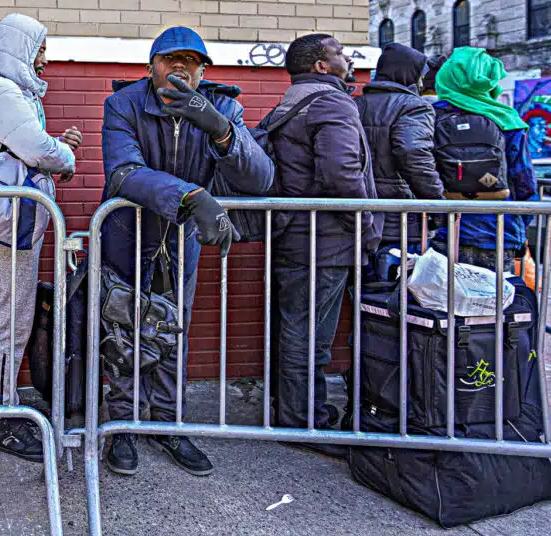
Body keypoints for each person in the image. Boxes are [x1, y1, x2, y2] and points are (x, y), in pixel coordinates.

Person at [99, 26, 273, 477]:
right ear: (150, 65)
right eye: (170, 59)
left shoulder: (223, 106)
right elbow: (123, 172)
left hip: (183, 242)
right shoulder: (124, 103)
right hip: (128, 234)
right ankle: (122, 423)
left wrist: (219, 131)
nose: (181, 67)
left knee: (174, 329)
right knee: (124, 328)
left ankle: (167, 423)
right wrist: (191, 196)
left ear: (202, 69)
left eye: (192, 61)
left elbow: (261, 178)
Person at [0, 14, 79, 462]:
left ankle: (5, 400)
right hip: (8, 227)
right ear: (20, 48)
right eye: (40, 48)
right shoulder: (3, 91)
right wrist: (63, 154)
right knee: (9, 316)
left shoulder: (12, 92)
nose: (44, 58)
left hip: (14, 223)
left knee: (13, 313)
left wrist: (54, 148)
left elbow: (29, 147)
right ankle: (2, 416)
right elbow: (37, 151)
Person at [269, 33, 378, 444]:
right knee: (310, 337)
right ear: (320, 65)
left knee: (298, 330)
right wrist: (367, 222)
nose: (347, 58)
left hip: (298, 235)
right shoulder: (331, 101)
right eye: (339, 52)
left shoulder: (294, 99)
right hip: (325, 239)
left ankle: (294, 415)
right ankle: (303, 424)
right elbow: (341, 173)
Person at [429, 47, 534, 269]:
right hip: (500, 232)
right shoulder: (509, 121)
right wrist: (519, 228)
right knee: (495, 302)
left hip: (447, 232)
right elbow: (524, 184)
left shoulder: (430, 117)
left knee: (440, 301)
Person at [356, 42, 443, 281]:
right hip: (399, 220)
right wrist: (437, 204)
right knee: (397, 301)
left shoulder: (355, 105)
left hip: (359, 216)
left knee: (364, 300)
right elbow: (413, 153)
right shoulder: (414, 106)